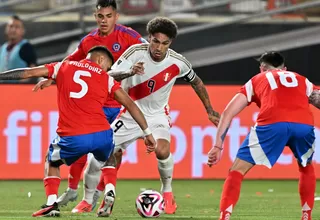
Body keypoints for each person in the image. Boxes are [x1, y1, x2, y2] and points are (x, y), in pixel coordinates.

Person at [77, 17, 220, 217]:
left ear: (171, 43)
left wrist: (209, 109)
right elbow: (108, 75)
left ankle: (167, 192)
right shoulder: (135, 53)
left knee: (162, 150)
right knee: (101, 155)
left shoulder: (178, 62)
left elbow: (196, 82)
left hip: (157, 115)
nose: (158, 47)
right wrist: (129, 72)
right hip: (128, 113)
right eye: (155, 41)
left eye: (164, 43)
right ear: (149, 38)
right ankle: (89, 198)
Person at [0, 45, 156, 217]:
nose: (107, 70)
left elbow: (27, 73)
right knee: (109, 154)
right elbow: (130, 105)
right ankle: (110, 189)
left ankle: (51, 203)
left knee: (51, 161)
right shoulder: (107, 79)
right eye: (108, 66)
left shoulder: (62, 67)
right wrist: (147, 133)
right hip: (101, 134)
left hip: (73, 135)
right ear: (101, 60)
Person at [33, 0, 146, 211]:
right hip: (96, 103)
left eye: (109, 16)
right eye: (100, 16)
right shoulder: (89, 41)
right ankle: (77, 192)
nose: (104, 21)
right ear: (95, 17)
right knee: (85, 150)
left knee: (113, 151)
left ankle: (98, 195)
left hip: (117, 102)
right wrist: (53, 77)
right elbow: (70, 62)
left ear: (116, 16)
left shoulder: (129, 36)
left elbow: (149, 53)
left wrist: (140, 68)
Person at [207, 51, 319, 220]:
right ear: (285, 68)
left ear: (262, 68)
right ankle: (307, 216)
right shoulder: (302, 79)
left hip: (272, 124)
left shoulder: (257, 79)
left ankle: (224, 217)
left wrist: (217, 145)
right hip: (304, 125)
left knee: (236, 170)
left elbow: (228, 113)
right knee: (305, 166)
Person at [0, 15, 37, 83]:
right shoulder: (2, 48)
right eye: (11, 26)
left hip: (19, 90)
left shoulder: (27, 47)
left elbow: (32, 73)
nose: (13, 30)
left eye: (17, 27)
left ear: (23, 31)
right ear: (6, 29)